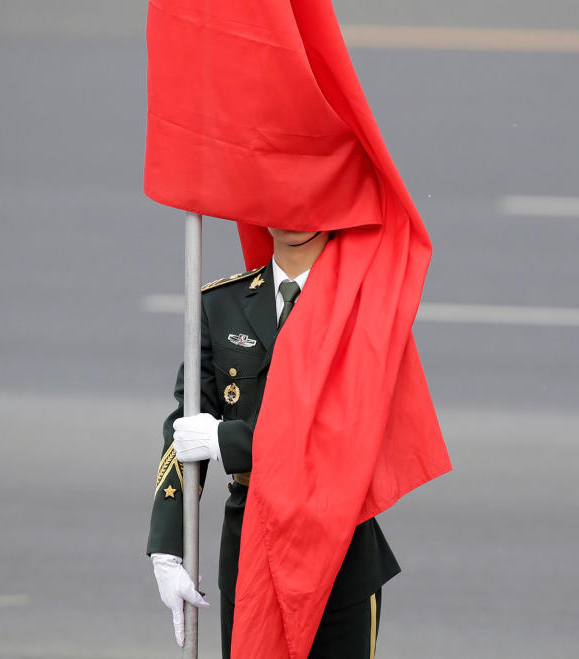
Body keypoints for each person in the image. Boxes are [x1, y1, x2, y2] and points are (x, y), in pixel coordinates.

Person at [147, 227, 400, 659]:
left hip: (336, 540)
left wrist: (228, 440)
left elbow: (345, 425)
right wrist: (167, 547)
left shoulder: (360, 304)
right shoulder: (221, 304)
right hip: (250, 536)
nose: (292, 213)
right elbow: (185, 429)